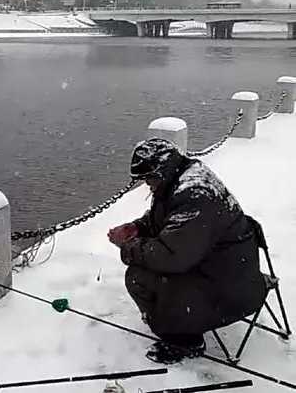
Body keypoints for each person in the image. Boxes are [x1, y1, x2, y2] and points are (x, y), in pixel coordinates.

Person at [108, 138, 267, 364]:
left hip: (231, 289)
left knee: (138, 277)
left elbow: (171, 256)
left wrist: (127, 247)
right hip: (230, 271)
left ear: (161, 171)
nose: (146, 184)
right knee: (149, 269)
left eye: (148, 178)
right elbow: (171, 222)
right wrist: (138, 227)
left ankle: (183, 339)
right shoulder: (184, 178)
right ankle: (179, 321)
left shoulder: (194, 195)